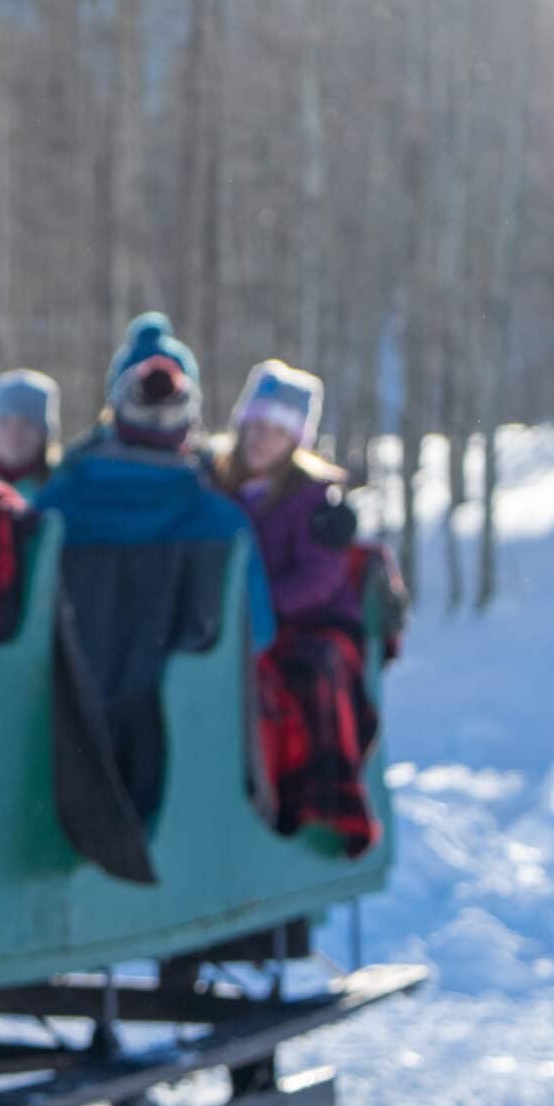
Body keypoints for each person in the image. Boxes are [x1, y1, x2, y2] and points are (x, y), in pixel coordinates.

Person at [35, 314, 273, 818]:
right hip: (184, 760)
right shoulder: (221, 522)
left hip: (66, 748)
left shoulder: (55, 506)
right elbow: (259, 633)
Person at [216, 360, 382, 855]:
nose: (261, 439)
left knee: (307, 674)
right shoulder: (221, 486)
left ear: (294, 440)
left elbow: (319, 579)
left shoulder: (314, 501)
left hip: (309, 624)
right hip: (241, 624)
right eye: (255, 426)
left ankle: (322, 804)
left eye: (275, 431)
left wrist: (258, 606)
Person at [0, 368, 61, 495]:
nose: (14, 432)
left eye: (26, 423)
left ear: (45, 432)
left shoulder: (62, 488)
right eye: (4, 422)